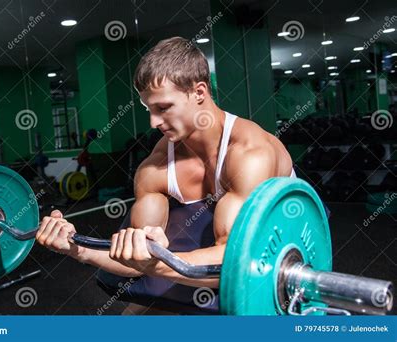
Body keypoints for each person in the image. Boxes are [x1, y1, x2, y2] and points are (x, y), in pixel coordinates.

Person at [35, 36, 295, 314]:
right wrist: (77, 247)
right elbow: (135, 259)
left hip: (278, 245)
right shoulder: (155, 167)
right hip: (202, 244)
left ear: (199, 92)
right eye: (149, 109)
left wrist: (156, 264)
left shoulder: (250, 154)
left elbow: (235, 263)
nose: (154, 122)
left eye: (163, 108)